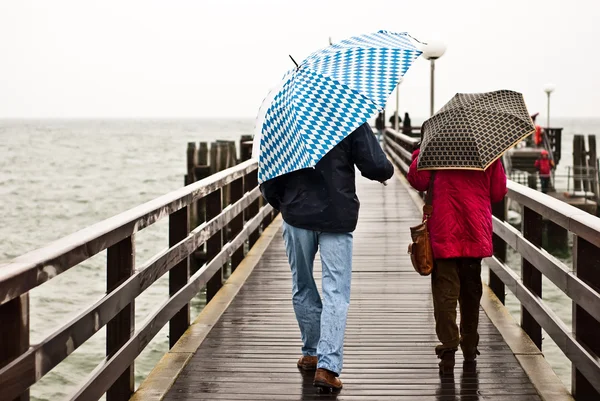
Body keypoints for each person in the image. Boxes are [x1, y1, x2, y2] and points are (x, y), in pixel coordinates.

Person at [260, 123, 394, 390]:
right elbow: (376, 166)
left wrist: (284, 203)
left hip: (297, 216)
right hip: (338, 214)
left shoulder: (285, 121)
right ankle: (327, 366)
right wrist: (384, 172)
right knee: (336, 291)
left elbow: (268, 175)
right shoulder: (348, 116)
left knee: (303, 284)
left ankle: (311, 351)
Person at [406, 148, 507, 375]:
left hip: (444, 232)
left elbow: (418, 180)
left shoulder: (436, 147)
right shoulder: (487, 151)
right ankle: (470, 347)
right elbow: (498, 192)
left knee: (445, 294)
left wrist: (419, 153)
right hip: (474, 231)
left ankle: (449, 349)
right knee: (471, 294)